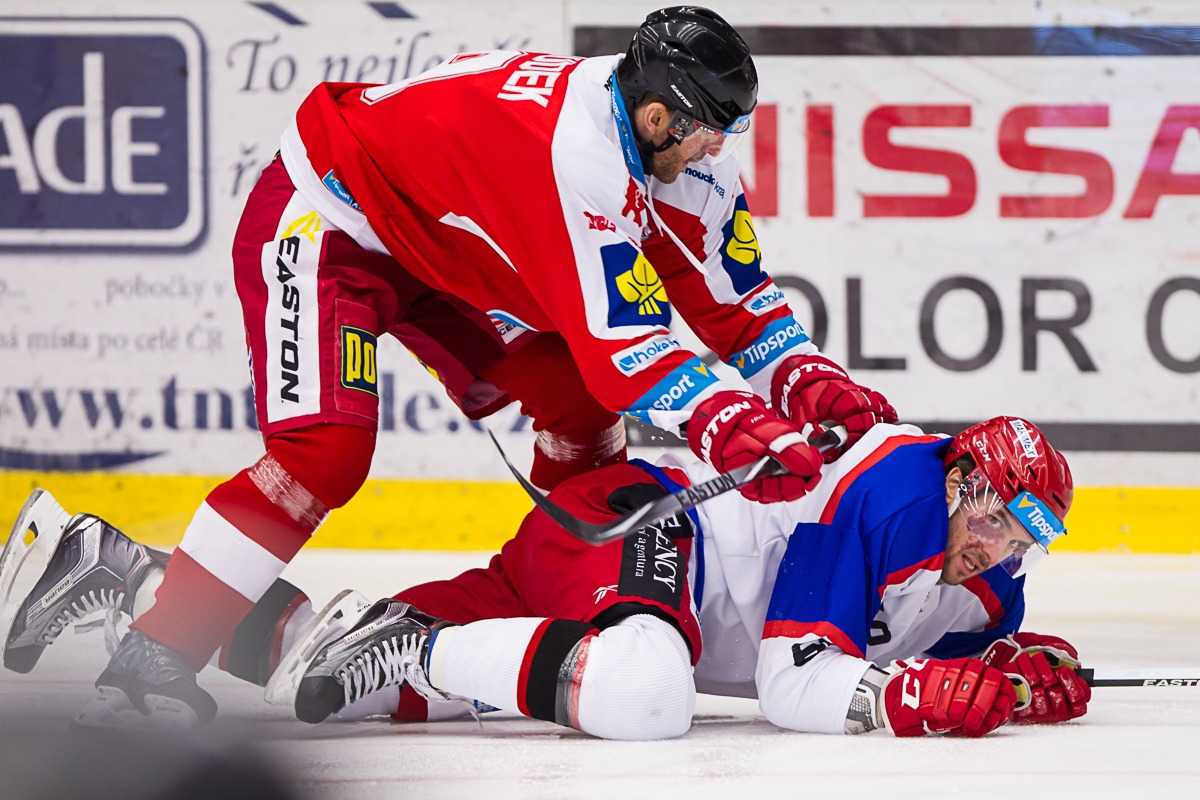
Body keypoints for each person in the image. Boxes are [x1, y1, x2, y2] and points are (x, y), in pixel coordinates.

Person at [43, 6, 895, 728]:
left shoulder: (682, 149)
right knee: (324, 453)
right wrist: (734, 423)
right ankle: (150, 658)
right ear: (657, 116)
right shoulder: (574, 156)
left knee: (577, 412)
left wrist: (808, 381)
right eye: (708, 129)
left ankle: (557, 588)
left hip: (444, 249)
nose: (717, 149)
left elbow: (736, 299)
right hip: (332, 218)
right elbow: (626, 349)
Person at [3, 414, 1090, 737]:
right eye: (998, 515)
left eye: (1027, 535)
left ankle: (115, 568)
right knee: (645, 693)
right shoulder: (898, 494)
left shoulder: (986, 577)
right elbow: (792, 678)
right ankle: (423, 647)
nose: (1001, 546)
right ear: (961, 478)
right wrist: (909, 700)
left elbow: (954, 646)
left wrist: (1011, 669)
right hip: (650, 528)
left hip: (585, 580)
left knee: (325, 678)